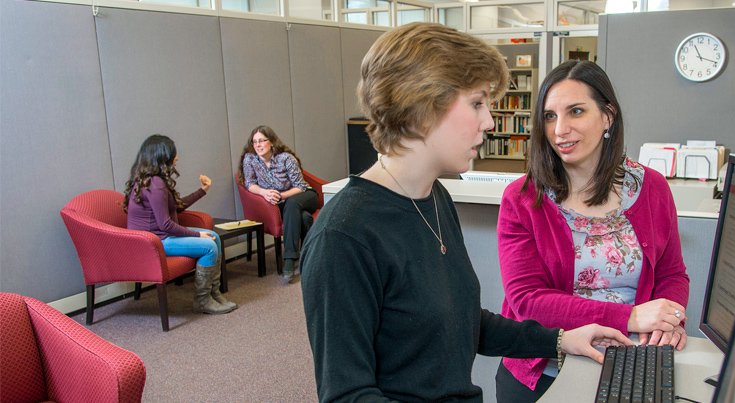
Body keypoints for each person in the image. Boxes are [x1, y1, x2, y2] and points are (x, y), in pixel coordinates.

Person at [300, 23, 634, 403]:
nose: (490, 121)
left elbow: (463, 323)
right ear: (422, 106)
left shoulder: (434, 198)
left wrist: (560, 339)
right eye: (477, 103)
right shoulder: (344, 236)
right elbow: (348, 396)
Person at [495, 60, 691, 400]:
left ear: (608, 117)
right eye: (550, 116)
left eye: (576, 112)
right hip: (548, 370)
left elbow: (672, 272)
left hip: (631, 365)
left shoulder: (652, 188)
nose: (560, 130)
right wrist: (629, 317)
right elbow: (527, 301)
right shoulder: (523, 199)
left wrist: (668, 320)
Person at [124, 134, 236, 315]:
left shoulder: (152, 180)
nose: (176, 158)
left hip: (160, 235)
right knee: (208, 245)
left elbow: (174, 207)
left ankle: (214, 293)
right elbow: (165, 225)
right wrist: (197, 235)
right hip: (154, 242)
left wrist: (202, 191)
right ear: (162, 156)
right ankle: (203, 300)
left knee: (214, 237)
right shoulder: (155, 183)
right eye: (173, 154)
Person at [237, 125, 318, 280]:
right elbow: (249, 184)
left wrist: (281, 196)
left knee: (292, 204)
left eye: (262, 141)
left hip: (304, 195)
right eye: (255, 142)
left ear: (272, 142)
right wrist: (264, 192)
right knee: (303, 218)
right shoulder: (250, 159)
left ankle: (289, 259)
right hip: (282, 204)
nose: (258, 145)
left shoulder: (286, 158)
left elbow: (300, 186)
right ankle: (309, 258)